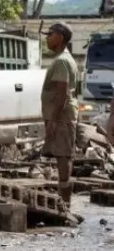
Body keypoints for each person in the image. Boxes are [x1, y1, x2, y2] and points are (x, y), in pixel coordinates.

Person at [40, 22, 79, 207]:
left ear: (60, 37)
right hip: (61, 116)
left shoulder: (62, 61)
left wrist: (53, 120)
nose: (47, 37)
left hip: (62, 117)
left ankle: (65, 204)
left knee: (63, 155)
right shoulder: (61, 59)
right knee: (61, 155)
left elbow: (62, 92)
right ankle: (64, 201)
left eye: (51, 34)